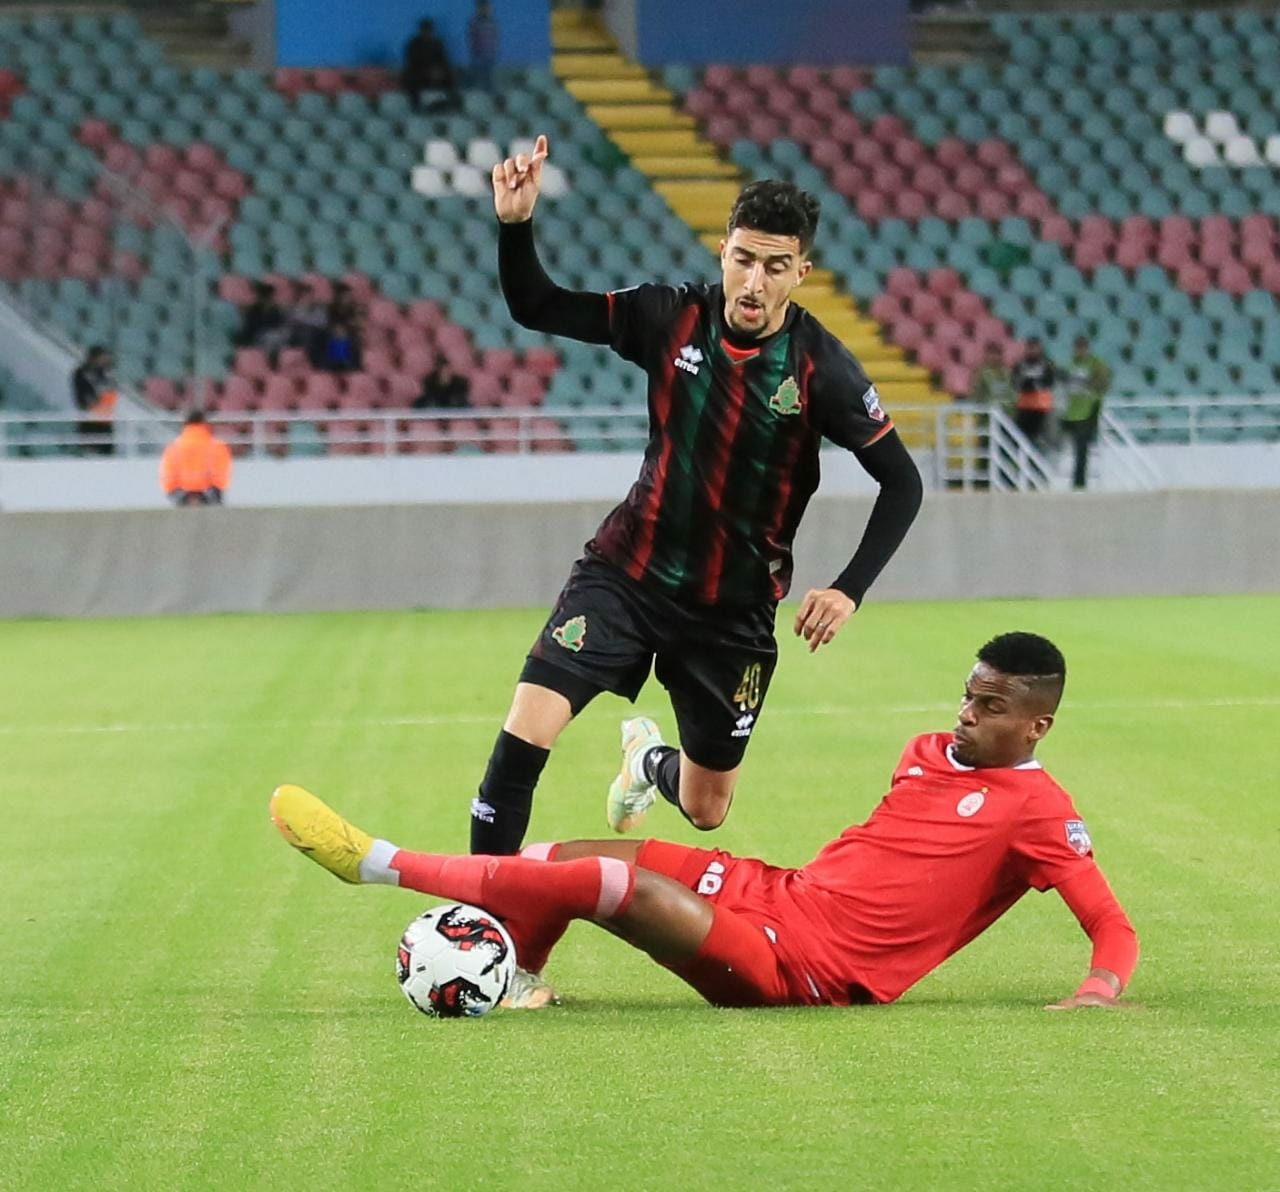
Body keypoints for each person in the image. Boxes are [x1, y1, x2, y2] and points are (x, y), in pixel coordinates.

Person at [478, 136, 922, 1004]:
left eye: (776, 267)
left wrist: (848, 587)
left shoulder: (823, 369)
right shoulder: (667, 316)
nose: (754, 282)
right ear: (722, 251)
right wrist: (516, 226)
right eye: (743, 259)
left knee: (709, 807)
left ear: (802, 274)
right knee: (525, 733)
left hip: (732, 615)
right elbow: (536, 305)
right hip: (626, 574)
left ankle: (649, 764)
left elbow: (901, 482)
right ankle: (496, 950)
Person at [270, 632, 1139, 1012]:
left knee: (615, 886)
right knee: (552, 852)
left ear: (1036, 725)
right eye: (967, 696)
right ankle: (521, 975)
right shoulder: (926, 752)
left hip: (806, 969)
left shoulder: (1041, 813)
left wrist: (1098, 990)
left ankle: (376, 862)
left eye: (989, 708)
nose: (965, 715)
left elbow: (1112, 925)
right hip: (781, 893)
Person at [1060, 337, 1112, 490]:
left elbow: (1103, 382)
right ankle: (1077, 481)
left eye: (1082, 348)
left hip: (1088, 410)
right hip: (1072, 411)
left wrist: (1091, 385)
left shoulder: (1095, 363)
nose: (1080, 351)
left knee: (1082, 448)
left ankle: (1079, 482)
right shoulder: (1070, 365)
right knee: (1076, 447)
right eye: (1078, 348)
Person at [160, 410, 232, 505]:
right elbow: (221, 474)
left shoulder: (173, 447)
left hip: (181, 495)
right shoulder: (218, 446)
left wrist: (175, 491)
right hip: (209, 495)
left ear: (185, 424)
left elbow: (168, 475)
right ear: (205, 423)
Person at [402, 18, 459, 112]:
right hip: (419, 74)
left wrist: (439, 71)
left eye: (429, 30)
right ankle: (416, 106)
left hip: (436, 74)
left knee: (450, 78)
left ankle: (453, 104)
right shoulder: (413, 44)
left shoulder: (437, 44)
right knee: (411, 80)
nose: (427, 33)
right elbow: (412, 62)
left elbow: (443, 60)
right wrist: (428, 71)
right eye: (425, 30)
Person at [1010, 337, 1056, 448]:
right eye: (1030, 348)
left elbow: (1049, 382)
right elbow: (1014, 383)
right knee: (1022, 435)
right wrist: (1025, 383)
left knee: (1039, 436)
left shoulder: (1047, 364)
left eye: (1035, 348)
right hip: (1024, 405)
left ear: (1040, 349)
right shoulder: (1020, 364)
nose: (1032, 351)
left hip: (1041, 406)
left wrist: (1035, 383)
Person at [71, 344, 117, 456]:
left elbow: (111, 390)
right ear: (94, 358)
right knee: (89, 450)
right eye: (102, 358)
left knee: (106, 452)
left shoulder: (107, 373)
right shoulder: (81, 372)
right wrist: (92, 401)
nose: (105, 360)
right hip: (88, 416)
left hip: (105, 418)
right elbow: (81, 394)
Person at [236, 281, 288, 361]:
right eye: (263, 296)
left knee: (279, 337)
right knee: (269, 339)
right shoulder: (254, 310)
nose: (266, 299)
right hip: (259, 337)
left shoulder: (275, 310)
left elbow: (279, 324)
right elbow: (250, 327)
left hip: (275, 336)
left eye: (268, 296)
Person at [322, 282, 363, 373]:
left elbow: (357, 323)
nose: (349, 298)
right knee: (338, 338)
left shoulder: (353, 309)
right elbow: (330, 323)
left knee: (351, 339)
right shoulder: (332, 308)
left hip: (351, 333)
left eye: (349, 296)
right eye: (346, 296)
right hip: (334, 333)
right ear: (339, 297)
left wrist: (352, 325)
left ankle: (350, 367)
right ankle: (338, 367)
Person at [968, 344, 1015, 409]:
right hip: (988, 408)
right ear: (986, 355)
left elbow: (1011, 390)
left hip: (1006, 406)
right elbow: (975, 390)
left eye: (996, 354)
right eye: (991, 354)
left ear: (1000, 356)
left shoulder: (1006, 370)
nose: (993, 357)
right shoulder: (981, 371)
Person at [467, 0, 499, 92]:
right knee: (478, 79)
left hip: (491, 56)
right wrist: (476, 52)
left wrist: (494, 51)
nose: (485, 10)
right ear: (478, 9)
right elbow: (471, 39)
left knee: (489, 79)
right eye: (482, 8)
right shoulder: (474, 22)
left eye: (487, 7)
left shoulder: (493, 22)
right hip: (478, 56)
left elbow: (495, 37)